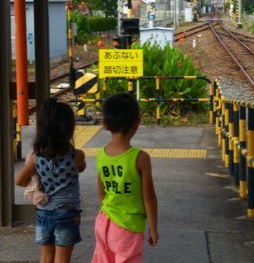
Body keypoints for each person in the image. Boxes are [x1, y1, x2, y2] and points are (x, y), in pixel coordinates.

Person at [15, 98, 86, 263]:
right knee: (62, 260)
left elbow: (19, 180)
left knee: (46, 259)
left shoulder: (36, 157)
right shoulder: (77, 155)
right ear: (70, 128)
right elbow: (81, 168)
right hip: (68, 213)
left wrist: (34, 183)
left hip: (43, 212)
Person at [92, 93, 159, 263]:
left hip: (104, 221)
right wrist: (153, 228)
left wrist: (110, 211)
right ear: (136, 124)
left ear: (105, 124)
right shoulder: (140, 158)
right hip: (128, 227)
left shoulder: (101, 154)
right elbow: (149, 198)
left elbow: (101, 194)